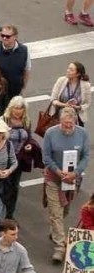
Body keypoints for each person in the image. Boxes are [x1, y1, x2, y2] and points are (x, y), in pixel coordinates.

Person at [43, 107, 90, 263]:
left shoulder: (82, 134)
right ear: (59, 122)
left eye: (71, 123)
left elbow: (86, 156)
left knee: (65, 209)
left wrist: (75, 173)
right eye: (65, 124)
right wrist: (58, 171)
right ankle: (60, 246)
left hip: (72, 179)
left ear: (75, 121)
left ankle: (55, 230)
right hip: (54, 178)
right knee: (55, 212)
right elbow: (46, 157)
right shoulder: (50, 133)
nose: (68, 127)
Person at [0, 24, 30, 101]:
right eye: (2, 35)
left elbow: (26, 70)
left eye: (8, 36)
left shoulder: (24, 50)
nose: (4, 38)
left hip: (16, 92)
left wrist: (23, 87)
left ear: (15, 37)